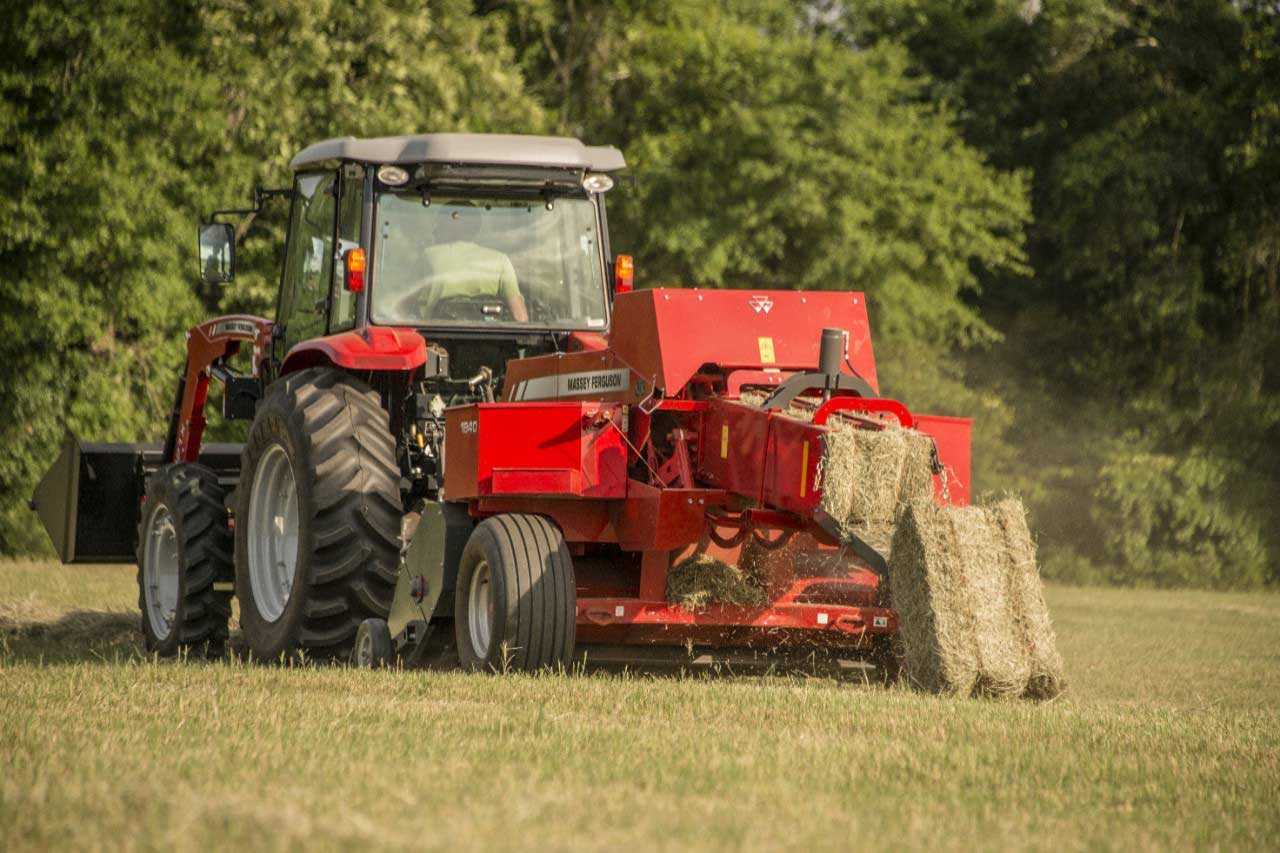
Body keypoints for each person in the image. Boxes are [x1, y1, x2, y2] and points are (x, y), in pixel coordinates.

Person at [410, 204, 529, 322]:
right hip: (490, 337)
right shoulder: (501, 259)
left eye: (439, 225)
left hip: (434, 337)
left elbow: (403, 306)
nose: (434, 231)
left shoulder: (429, 255)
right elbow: (520, 317)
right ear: (475, 228)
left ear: (448, 227)